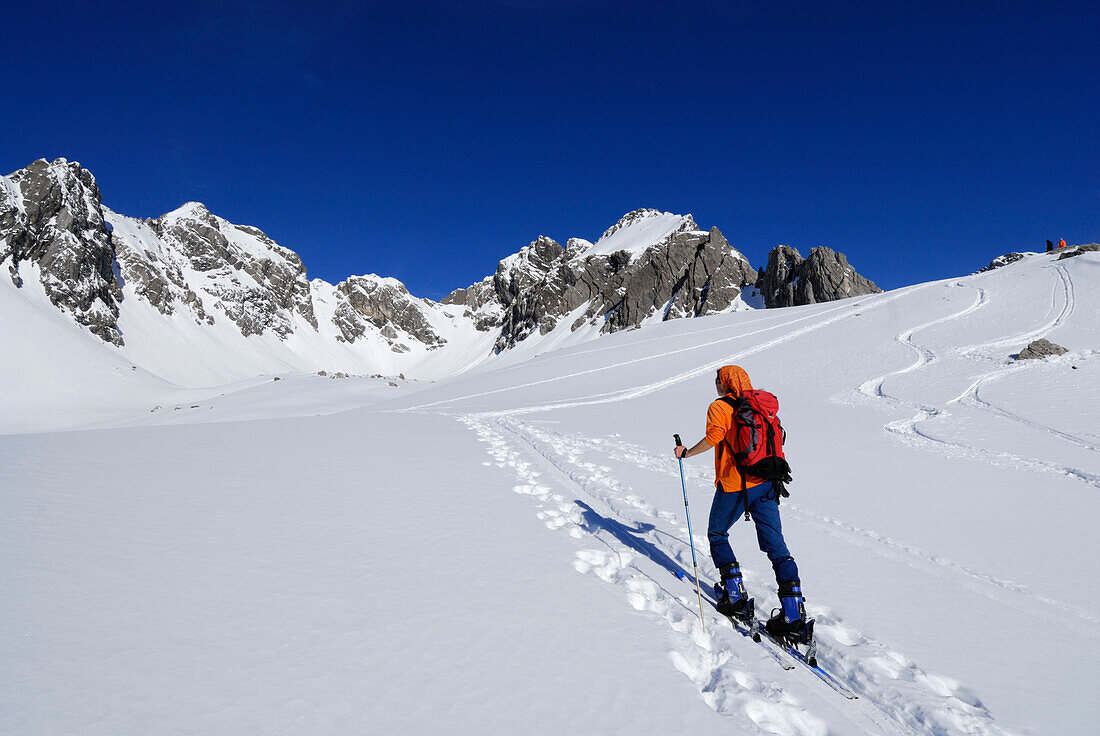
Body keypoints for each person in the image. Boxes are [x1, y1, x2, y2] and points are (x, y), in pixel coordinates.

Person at [674, 364, 809, 642]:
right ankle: (793, 614)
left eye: (717, 380)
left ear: (725, 383)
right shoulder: (761, 404)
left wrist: (686, 453)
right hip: (768, 481)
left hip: (735, 484)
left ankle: (734, 595)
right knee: (777, 547)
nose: (716, 385)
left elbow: (714, 438)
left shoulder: (720, 407)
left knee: (717, 533)